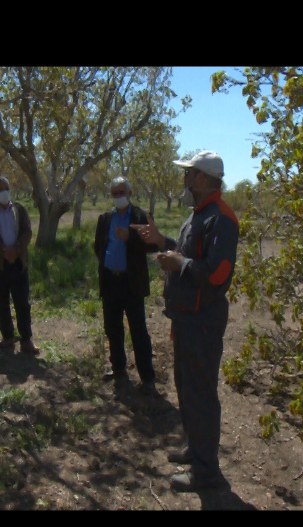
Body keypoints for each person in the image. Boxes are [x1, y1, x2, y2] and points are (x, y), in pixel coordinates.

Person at [132, 150, 239, 492]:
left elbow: (219, 273)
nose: (185, 179)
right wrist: (161, 242)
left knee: (201, 394)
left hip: (203, 322)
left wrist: (180, 265)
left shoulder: (221, 218)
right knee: (185, 387)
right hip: (185, 318)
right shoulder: (198, 215)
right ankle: (196, 450)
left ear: (205, 179)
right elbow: (188, 250)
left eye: (190, 173)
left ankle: (205, 473)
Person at [94, 176, 158, 394]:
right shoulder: (105, 219)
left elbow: (152, 246)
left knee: (138, 330)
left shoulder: (141, 217)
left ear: (130, 193)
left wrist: (130, 237)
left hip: (132, 284)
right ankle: (119, 369)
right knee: (113, 328)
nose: (118, 197)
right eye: (114, 193)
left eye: (122, 192)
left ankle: (148, 378)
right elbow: (98, 247)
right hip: (111, 281)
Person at [0, 176, 39, 355]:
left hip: (18, 263)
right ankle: (8, 337)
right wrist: (4, 251)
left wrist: (17, 250)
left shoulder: (20, 210)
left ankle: (26, 340)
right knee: (1, 303)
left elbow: (27, 232)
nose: (3, 192)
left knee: (22, 302)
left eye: (6, 188)